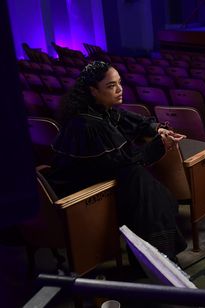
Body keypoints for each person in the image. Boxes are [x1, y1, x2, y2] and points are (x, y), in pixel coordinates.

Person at [48, 61, 187, 261]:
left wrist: (158, 130)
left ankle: (156, 255)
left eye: (119, 82)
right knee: (142, 183)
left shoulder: (100, 109)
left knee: (148, 187)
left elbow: (131, 121)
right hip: (86, 195)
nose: (120, 89)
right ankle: (158, 257)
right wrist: (160, 145)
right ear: (93, 90)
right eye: (111, 86)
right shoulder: (88, 124)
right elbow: (124, 163)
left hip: (104, 180)